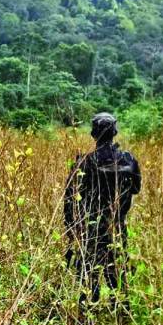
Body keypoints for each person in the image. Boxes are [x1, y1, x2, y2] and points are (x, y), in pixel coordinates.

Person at [63, 112, 142, 304]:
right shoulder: (128, 160)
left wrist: (71, 229)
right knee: (118, 281)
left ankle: (86, 324)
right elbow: (135, 189)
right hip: (117, 227)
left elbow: (70, 199)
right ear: (115, 132)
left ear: (93, 134)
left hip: (90, 229)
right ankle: (121, 318)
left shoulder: (84, 162)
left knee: (88, 284)